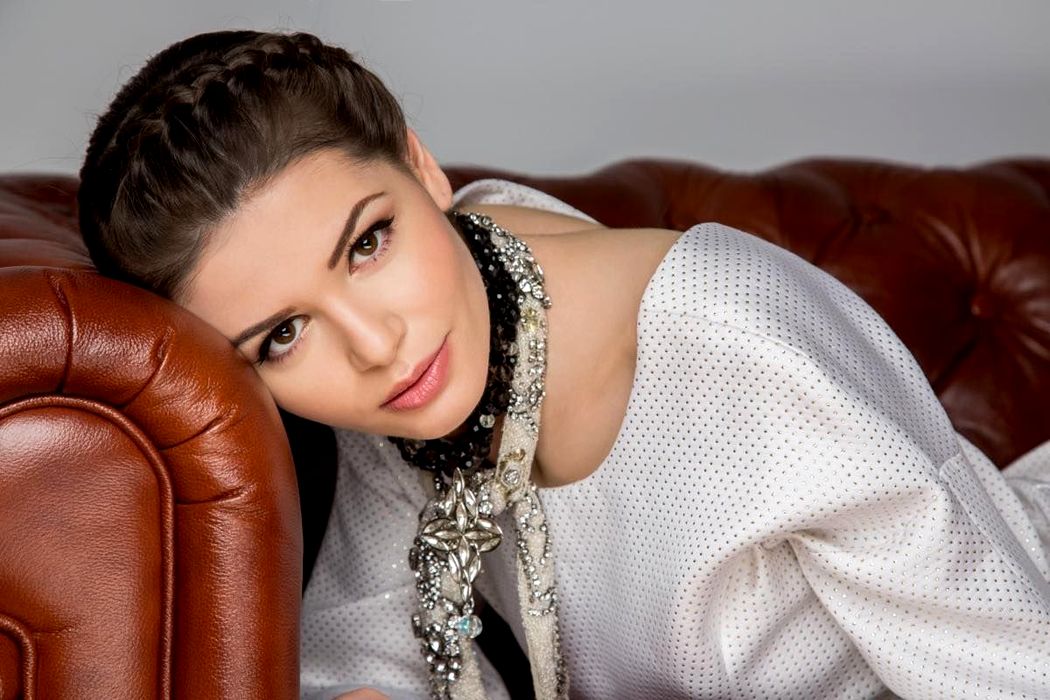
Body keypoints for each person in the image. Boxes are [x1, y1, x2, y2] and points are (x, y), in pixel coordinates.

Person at [76, 29, 1050, 700]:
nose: (374, 346)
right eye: (283, 334)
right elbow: (367, 640)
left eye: (368, 242)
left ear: (422, 168)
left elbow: (1010, 663)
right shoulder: (420, 366)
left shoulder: (728, 335)